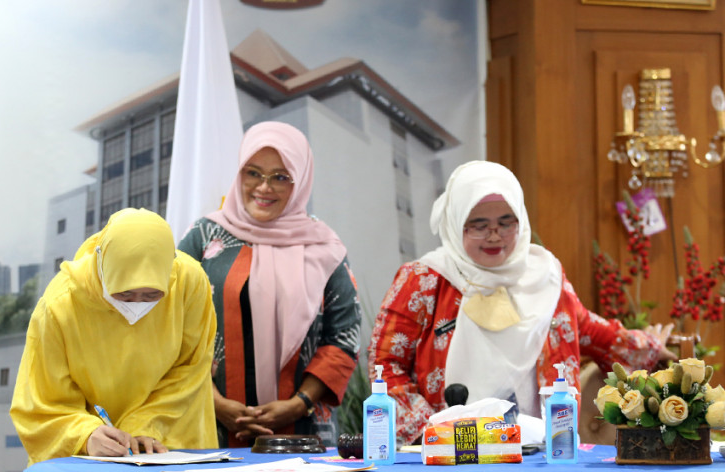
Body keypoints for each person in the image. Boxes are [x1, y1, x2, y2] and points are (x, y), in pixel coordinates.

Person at [368, 160, 674, 445]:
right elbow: (385, 362)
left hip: (535, 446)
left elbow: (589, 330)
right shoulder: (423, 280)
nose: (494, 236)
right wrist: (431, 429)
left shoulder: (546, 276)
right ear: (455, 222)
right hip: (448, 448)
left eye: (506, 222)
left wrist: (648, 346)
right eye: (479, 225)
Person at [178, 121, 361, 447]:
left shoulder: (324, 247)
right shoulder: (203, 237)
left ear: (300, 181)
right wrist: (216, 403)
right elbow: (171, 327)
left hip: (303, 431)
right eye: (253, 173)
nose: (264, 187)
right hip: (208, 426)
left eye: (280, 177)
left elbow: (343, 338)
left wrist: (298, 404)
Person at [11, 207, 218, 465]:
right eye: (125, 294)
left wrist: (146, 426)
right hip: (91, 457)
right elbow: (41, 400)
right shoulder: (60, 306)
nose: (137, 304)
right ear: (102, 266)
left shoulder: (189, 282)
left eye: (152, 295)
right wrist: (85, 435)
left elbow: (190, 368)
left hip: (170, 438)